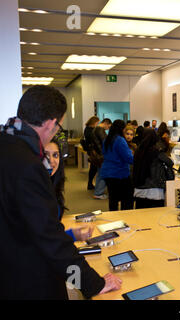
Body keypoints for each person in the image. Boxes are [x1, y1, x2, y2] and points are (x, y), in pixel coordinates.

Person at [0, 85, 121, 299]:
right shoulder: (28, 164)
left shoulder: (6, 145)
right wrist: (92, 284)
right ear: (51, 123)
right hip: (26, 280)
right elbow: (50, 240)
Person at [45, 137, 94, 241]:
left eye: (55, 155)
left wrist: (72, 235)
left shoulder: (51, 185)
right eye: (45, 155)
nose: (51, 161)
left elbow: (48, 234)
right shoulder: (30, 191)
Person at [133, 129, 175, 209]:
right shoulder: (156, 152)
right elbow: (170, 162)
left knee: (140, 217)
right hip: (155, 191)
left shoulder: (138, 151)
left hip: (139, 191)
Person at [100, 119, 134, 211]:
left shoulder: (107, 139)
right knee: (127, 199)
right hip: (119, 173)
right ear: (122, 129)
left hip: (107, 172)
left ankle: (113, 219)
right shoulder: (120, 140)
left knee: (113, 199)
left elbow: (104, 153)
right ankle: (125, 219)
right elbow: (128, 158)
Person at [91, 118, 112, 200]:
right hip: (102, 155)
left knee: (100, 174)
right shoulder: (100, 129)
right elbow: (105, 142)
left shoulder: (95, 129)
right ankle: (98, 193)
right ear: (106, 123)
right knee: (103, 174)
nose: (108, 129)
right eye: (108, 127)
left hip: (98, 155)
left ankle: (98, 191)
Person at [83, 116, 100, 190]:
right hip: (93, 151)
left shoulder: (87, 129)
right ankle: (90, 184)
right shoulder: (91, 130)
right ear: (94, 122)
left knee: (93, 168)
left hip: (91, 151)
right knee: (94, 168)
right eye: (97, 123)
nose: (97, 124)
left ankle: (90, 183)